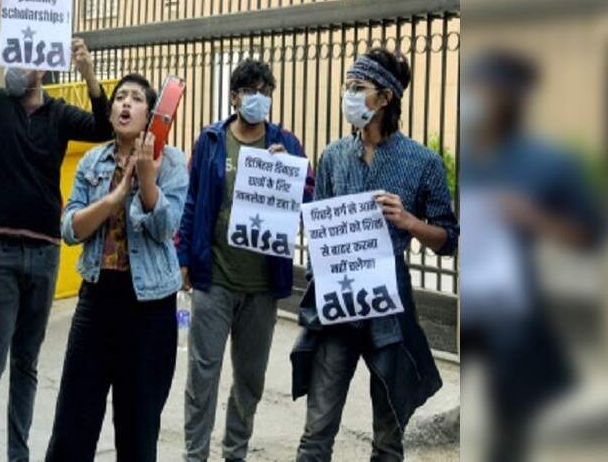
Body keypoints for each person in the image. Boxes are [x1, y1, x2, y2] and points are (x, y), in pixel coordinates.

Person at [0, 0, 113, 462]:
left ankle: (18, 454)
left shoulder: (60, 114)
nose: (18, 63)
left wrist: (88, 71)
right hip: (1, 252)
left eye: (29, 55)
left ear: (45, 67)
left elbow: (102, 125)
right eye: (14, 51)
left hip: (45, 253)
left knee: (26, 365)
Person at [292, 49, 459, 461]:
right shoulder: (333, 156)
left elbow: (450, 239)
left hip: (390, 304)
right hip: (338, 300)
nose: (348, 95)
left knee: (388, 435)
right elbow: (320, 228)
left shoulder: (423, 163)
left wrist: (409, 222)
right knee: (316, 431)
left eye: (358, 88)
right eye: (347, 87)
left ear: (385, 98)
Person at [460, 50, 604, 462]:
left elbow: (589, 234)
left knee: (510, 426)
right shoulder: (465, 158)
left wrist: (533, 219)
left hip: (516, 314)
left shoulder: (549, 162)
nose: (475, 100)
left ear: (512, 98)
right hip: (467, 311)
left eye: (485, 90)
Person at [44, 73, 188, 461]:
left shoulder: (171, 163)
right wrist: (114, 199)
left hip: (150, 308)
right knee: (74, 423)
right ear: (110, 114)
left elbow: (164, 229)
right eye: (120, 98)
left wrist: (147, 181)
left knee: (138, 427)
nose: (125, 104)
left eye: (136, 98)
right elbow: (71, 229)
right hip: (96, 300)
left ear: (154, 114)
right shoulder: (93, 160)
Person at [178, 58, 314, 462]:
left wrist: (286, 170)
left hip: (262, 283)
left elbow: (308, 198)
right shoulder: (211, 140)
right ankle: (195, 454)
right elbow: (191, 199)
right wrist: (184, 255)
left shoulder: (286, 143)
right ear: (235, 96)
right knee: (203, 373)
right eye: (252, 91)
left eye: (266, 92)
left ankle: (234, 451)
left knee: (250, 378)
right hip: (214, 276)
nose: (260, 99)